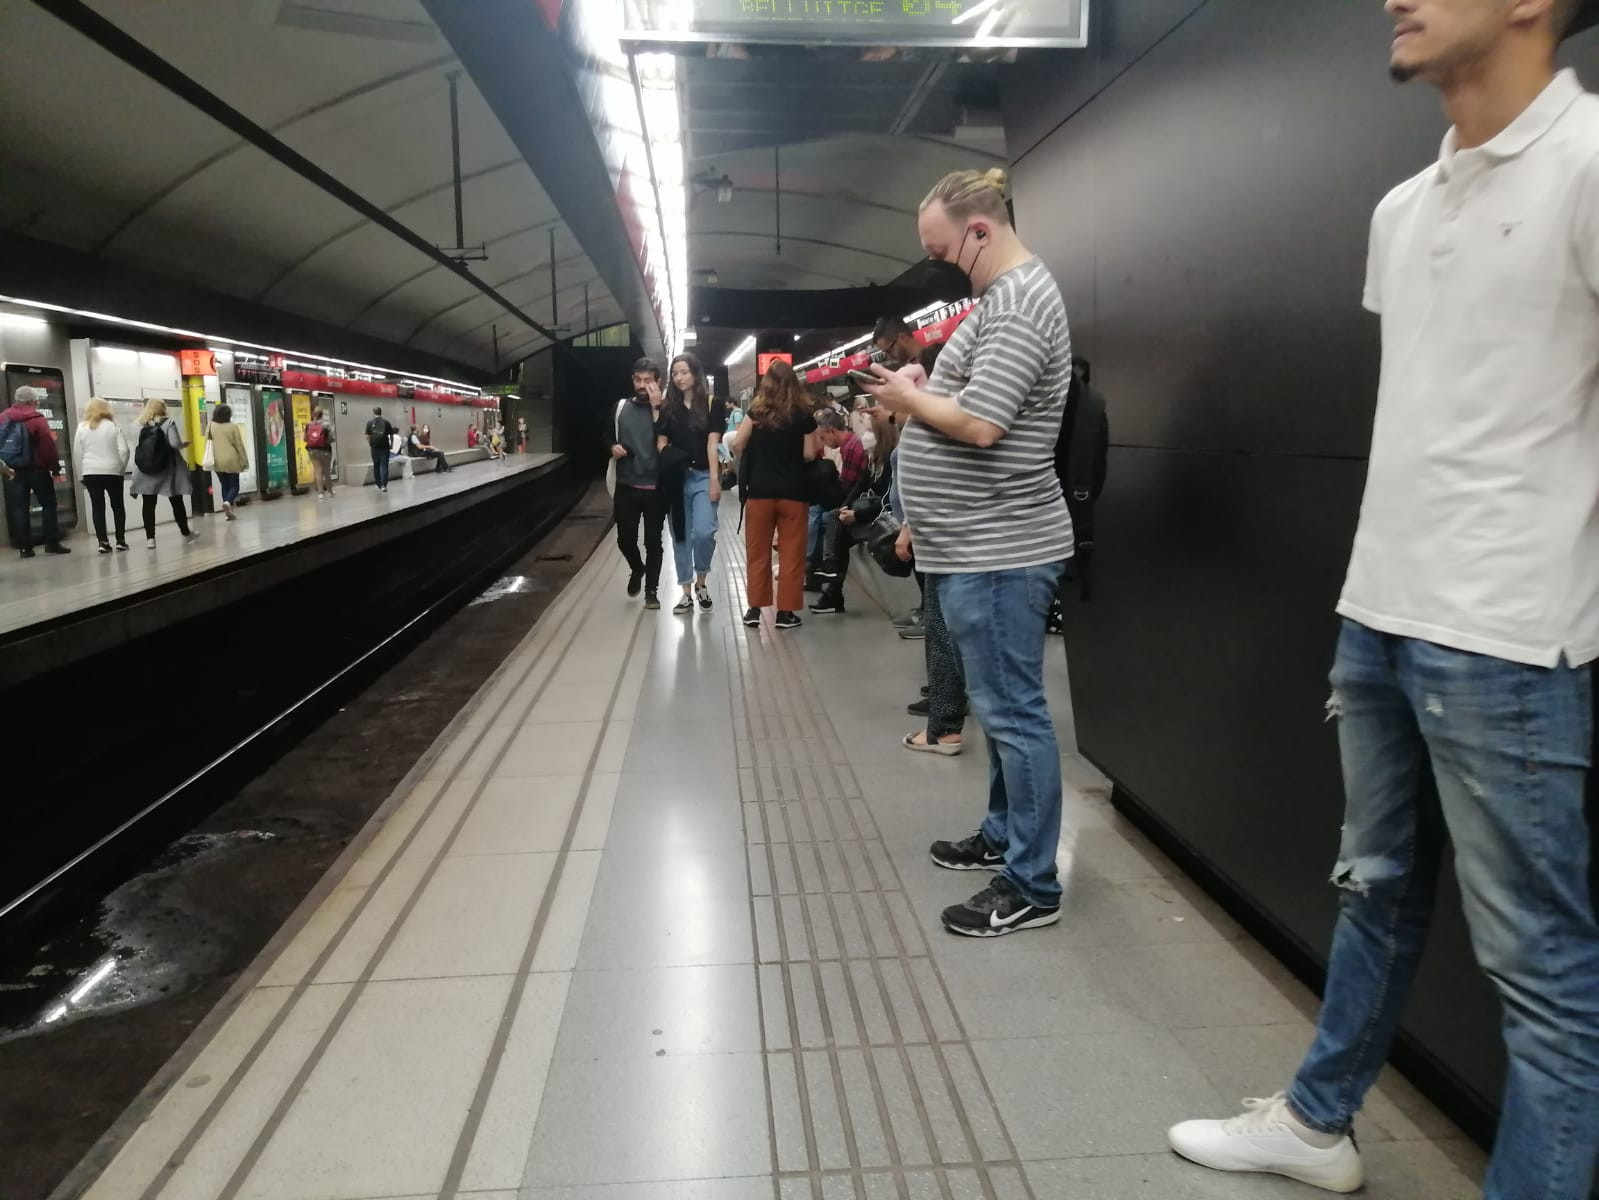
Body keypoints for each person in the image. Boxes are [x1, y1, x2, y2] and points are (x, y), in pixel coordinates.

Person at [1169, 4, 1599, 1197]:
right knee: (1373, 889)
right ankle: (1318, 1125)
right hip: (1382, 613)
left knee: (1542, 968)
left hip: (1513, 636)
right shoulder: (1401, 209)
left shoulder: (1591, 165)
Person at [863, 167, 1074, 939]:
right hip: (978, 542)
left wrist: (905, 399)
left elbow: (982, 426)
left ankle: (1032, 883)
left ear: (979, 229)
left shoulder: (1017, 304)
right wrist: (923, 384)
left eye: (944, 249)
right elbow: (978, 407)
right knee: (998, 710)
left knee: (1015, 716)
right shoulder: (999, 302)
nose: (942, 263)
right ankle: (1002, 836)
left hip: (1001, 548)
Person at [731, 360, 819, 630]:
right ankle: (785, 614)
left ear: (766, 383)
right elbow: (809, 453)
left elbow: (736, 444)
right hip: (793, 492)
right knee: (792, 554)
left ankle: (755, 610)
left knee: (758, 553)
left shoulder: (756, 411)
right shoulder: (803, 414)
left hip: (759, 492)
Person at [660, 352, 728, 614]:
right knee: (680, 534)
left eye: (683, 372)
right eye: (674, 373)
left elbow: (713, 444)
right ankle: (686, 591)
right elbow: (661, 444)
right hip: (676, 479)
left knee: (703, 532)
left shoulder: (713, 404)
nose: (678, 377)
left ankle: (702, 581)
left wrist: (714, 480)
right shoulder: (668, 408)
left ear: (695, 374)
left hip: (702, 476)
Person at [611, 357, 668, 610]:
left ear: (658, 382)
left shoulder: (667, 410)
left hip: (657, 487)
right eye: (638, 380)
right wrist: (612, 447)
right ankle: (638, 567)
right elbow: (605, 435)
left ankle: (651, 591)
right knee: (625, 539)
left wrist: (658, 408)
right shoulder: (620, 408)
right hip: (627, 484)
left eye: (648, 380)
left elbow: (670, 436)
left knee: (653, 541)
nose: (642, 385)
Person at [809, 409, 874, 615]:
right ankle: (832, 588)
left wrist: (842, 506)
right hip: (860, 500)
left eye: (823, 437)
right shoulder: (853, 444)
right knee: (834, 526)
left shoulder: (850, 448)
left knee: (830, 519)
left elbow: (850, 485)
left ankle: (828, 570)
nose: (824, 443)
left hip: (862, 504)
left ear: (832, 431)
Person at [0, 385, 69, 559]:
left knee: (19, 509)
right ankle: (51, 543)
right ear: (32, 401)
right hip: (38, 470)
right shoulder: (37, 418)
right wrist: (55, 468)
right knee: (48, 504)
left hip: (13, 471)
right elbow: (48, 447)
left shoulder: (3, 417)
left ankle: (25, 548)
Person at [130, 397, 197, 548]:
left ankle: (150, 539)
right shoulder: (168, 422)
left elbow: (136, 444)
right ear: (163, 409)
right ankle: (186, 534)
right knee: (176, 501)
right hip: (166, 469)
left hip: (145, 470)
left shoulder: (137, 424)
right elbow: (174, 443)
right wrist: (182, 444)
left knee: (148, 504)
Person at [73, 396, 131, 553]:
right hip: (113, 472)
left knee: (97, 507)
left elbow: (78, 453)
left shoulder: (82, 427)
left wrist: (81, 475)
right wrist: (120, 469)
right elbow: (125, 450)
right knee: (117, 506)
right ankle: (120, 540)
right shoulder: (114, 425)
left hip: (90, 473)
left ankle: (103, 542)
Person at [305, 405, 334, 497]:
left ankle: (320, 493)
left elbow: (305, 439)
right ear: (322, 415)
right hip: (325, 450)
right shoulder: (326, 425)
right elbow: (331, 438)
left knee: (317, 471)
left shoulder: (308, 425)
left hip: (312, 451)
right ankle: (329, 491)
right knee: (326, 471)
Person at [366, 407, 395, 492]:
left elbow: (367, 436)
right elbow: (391, 435)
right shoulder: (386, 422)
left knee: (376, 465)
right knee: (384, 466)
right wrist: (391, 445)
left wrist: (370, 444)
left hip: (374, 448)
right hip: (385, 447)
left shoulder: (370, 423)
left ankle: (378, 484)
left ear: (373, 413)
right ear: (381, 412)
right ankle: (383, 486)